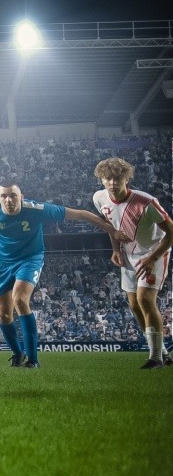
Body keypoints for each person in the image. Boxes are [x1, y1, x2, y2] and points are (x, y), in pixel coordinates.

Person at [0, 182, 119, 368]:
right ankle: (18, 353)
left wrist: (112, 231)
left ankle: (33, 360)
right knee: (4, 316)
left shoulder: (37, 209)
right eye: (4, 196)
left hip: (29, 258)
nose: (8, 200)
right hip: (0, 263)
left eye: (13, 195)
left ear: (21, 196)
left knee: (20, 300)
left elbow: (80, 214)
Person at [91, 157, 172, 368]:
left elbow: (171, 232)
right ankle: (163, 353)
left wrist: (153, 257)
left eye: (118, 178)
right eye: (108, 178)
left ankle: (155, 358)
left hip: (152, 252)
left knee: (145, 300)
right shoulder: (99, 198)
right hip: (127, 255)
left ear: (127, 178)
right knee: (134, 305)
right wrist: (115, 249)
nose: (112, 183)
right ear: (101, 179)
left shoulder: (146, 202)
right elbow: (111, 226)